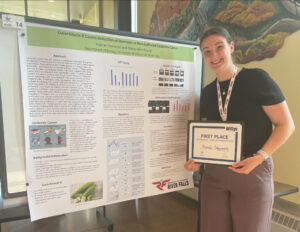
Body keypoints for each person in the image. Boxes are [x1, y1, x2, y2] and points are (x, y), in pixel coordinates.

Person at [184, 27, 295, 232]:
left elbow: (286, 125)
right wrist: (197, 159)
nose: (214, 55)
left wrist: (260, 156)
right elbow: (207, 136)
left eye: (219, 47)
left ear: (231, 47)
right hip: (214, 175)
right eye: (207, 51)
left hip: (252, 167)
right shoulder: (208, 93)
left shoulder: (257, 79)